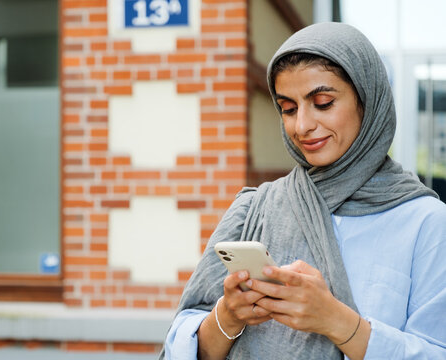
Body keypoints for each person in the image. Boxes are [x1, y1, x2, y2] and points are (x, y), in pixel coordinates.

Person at [159, 22, 446, 360]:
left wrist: (336, 321)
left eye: (323, 102)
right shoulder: (253, 208)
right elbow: (181, 345)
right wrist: (228, 316)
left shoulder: (426, 223)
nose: (302, 126)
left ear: (367, 102)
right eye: (288, 108)